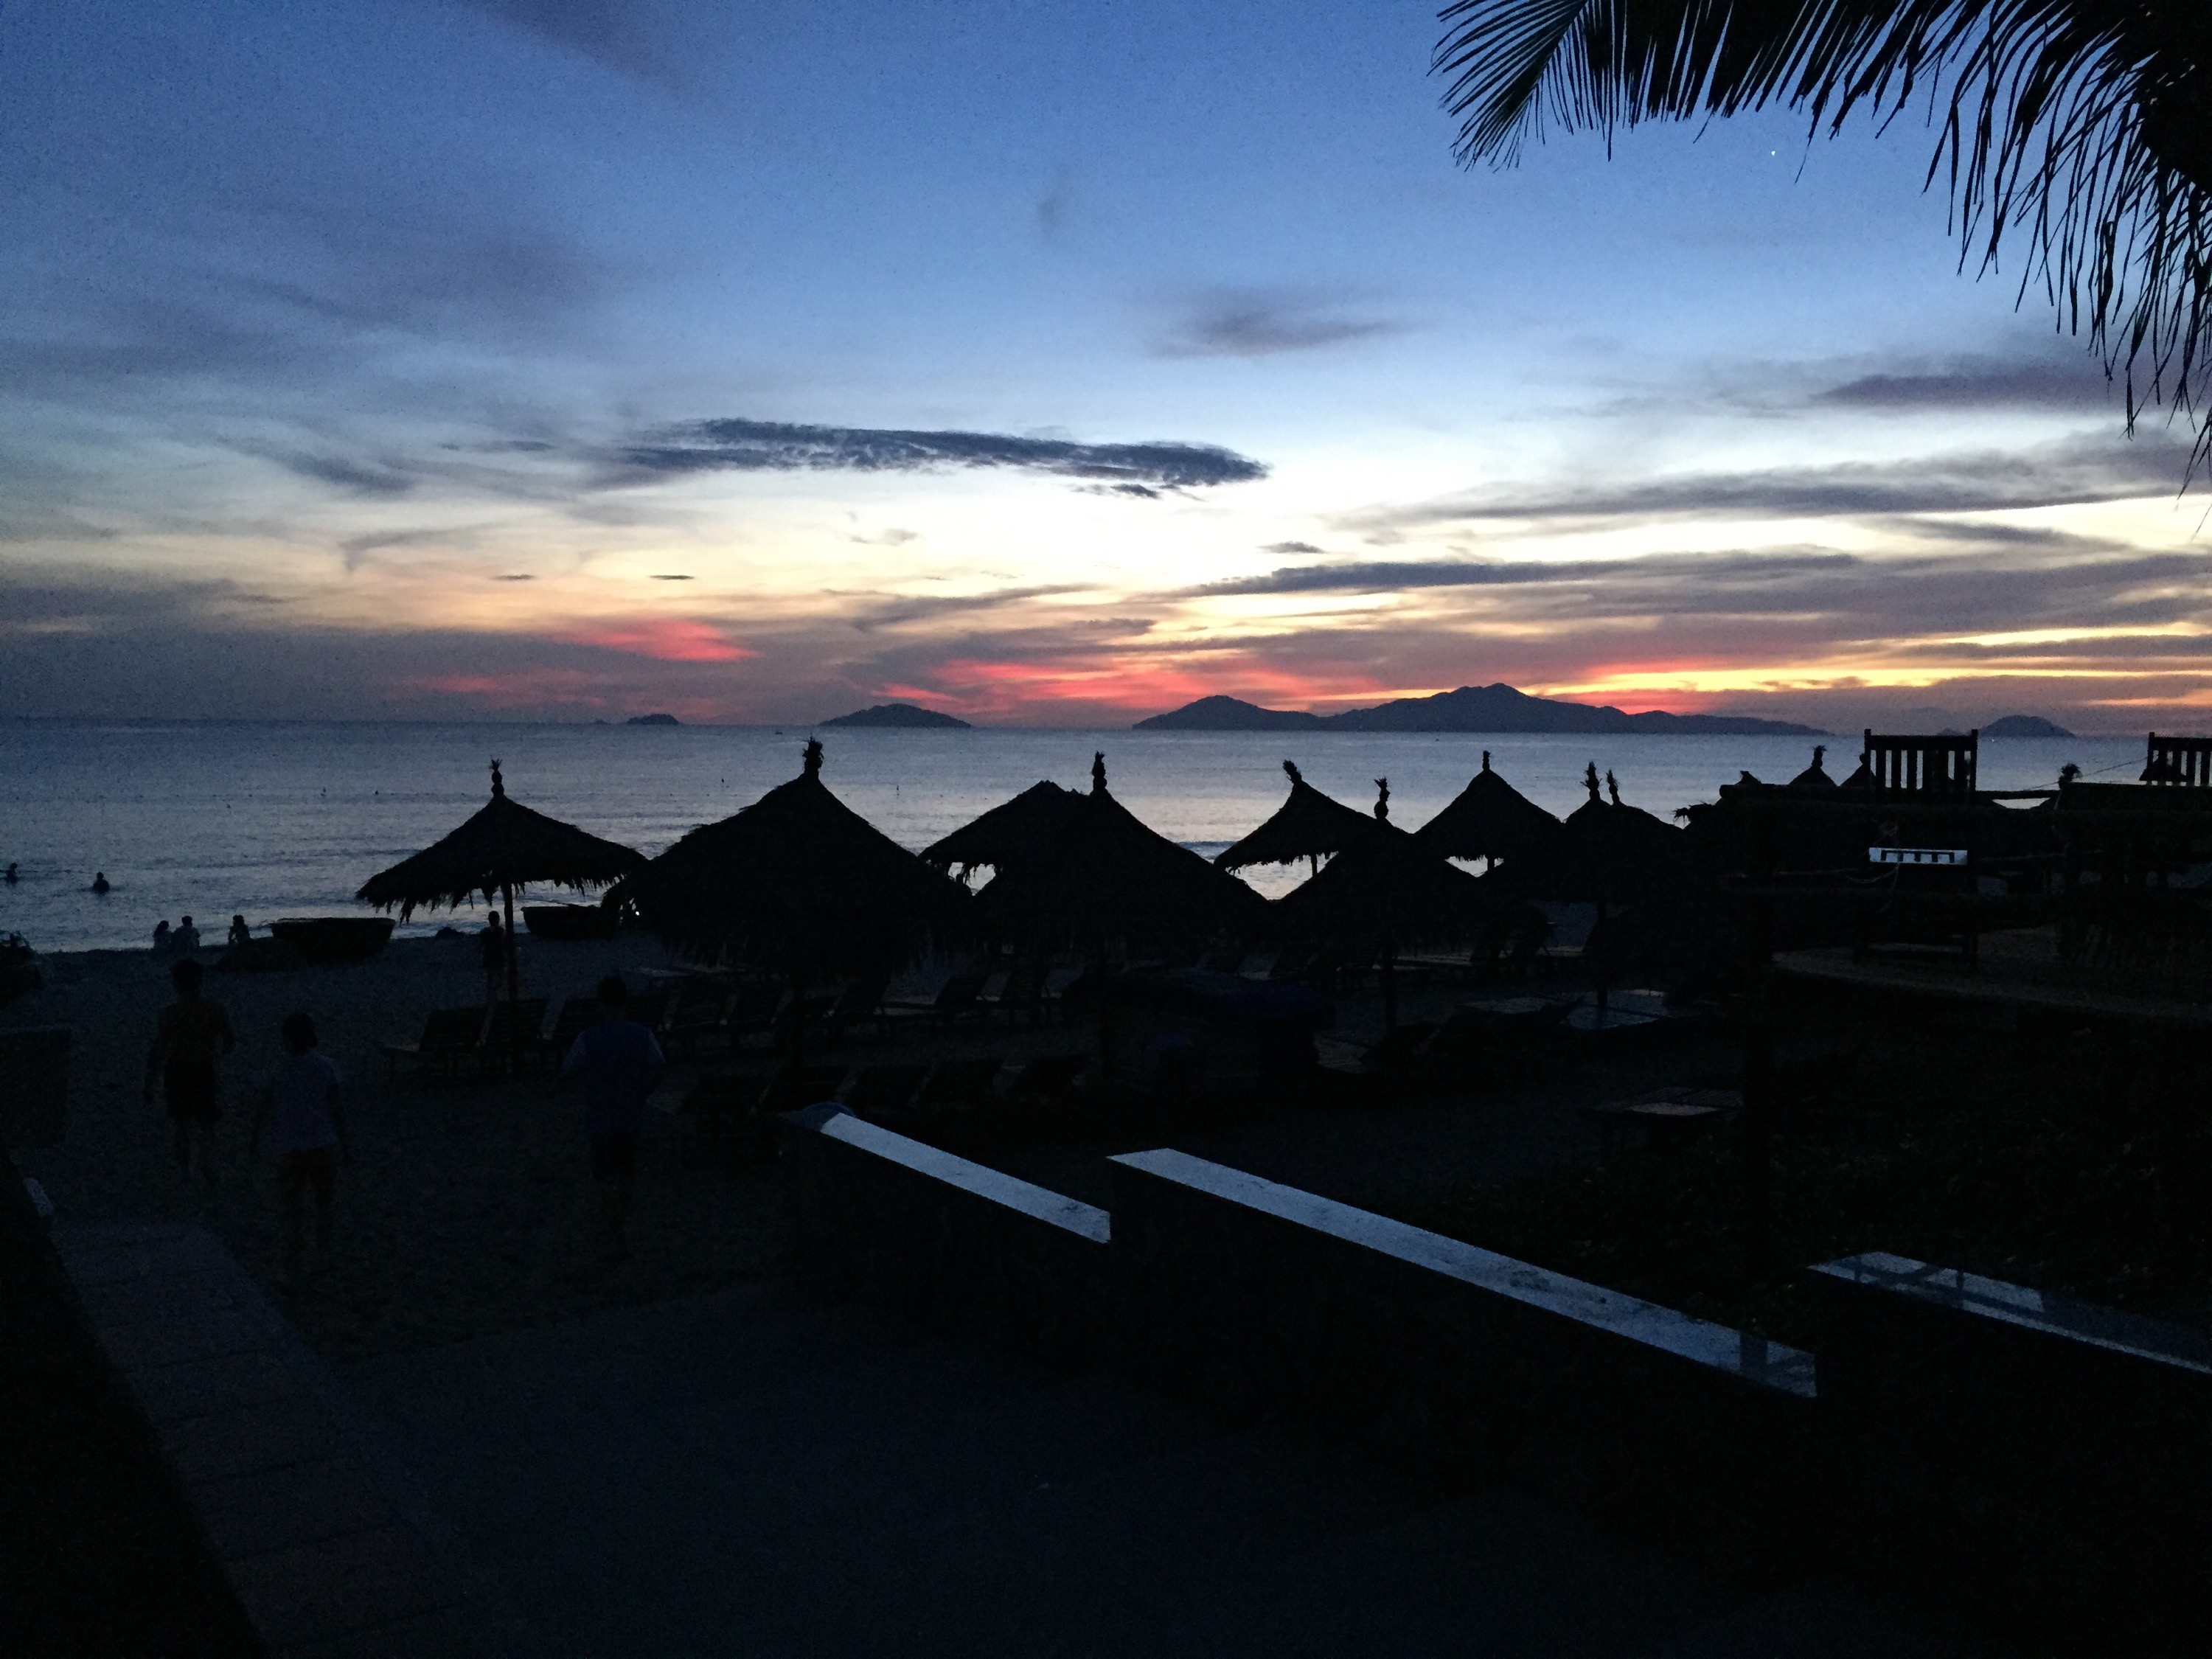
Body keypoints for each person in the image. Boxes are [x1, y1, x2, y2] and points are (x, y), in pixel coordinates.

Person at [555, 975, 664, 1262]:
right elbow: (659, 1065)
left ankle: (616, 1230)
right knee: (626, 1175)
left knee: (603, 1177)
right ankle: (622, 1227)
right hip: (630, 1115)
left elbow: (567, 1071)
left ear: (601, 1004)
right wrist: (644, 1090)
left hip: (600, 1117)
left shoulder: (588, 1038)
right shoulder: (642, 1035)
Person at [250, 1012, 348, 1286]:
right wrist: (346, 1144)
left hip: (290, 1149)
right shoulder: (327, 1066)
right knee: (323, 1206)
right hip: (323, 1145)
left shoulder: (277, 1068)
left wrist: (255, 1139)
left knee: (292, 1210)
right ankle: (320, 1259)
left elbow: (264, 1107)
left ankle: (293, 1266)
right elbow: (337, 1111)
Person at [144, 958, 236, 1183]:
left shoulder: (169, 1014)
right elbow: (229, 1041)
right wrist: (217, 1055)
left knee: (182, 1124)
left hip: (178, 1070)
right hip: (203, 1068)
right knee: (206, 1123)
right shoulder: (215, 1010)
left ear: (176, 984)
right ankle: (208, 1167)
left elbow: (159, 1049)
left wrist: (150, 1082)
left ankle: (186, 1171)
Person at [479, 911, 509, 1004]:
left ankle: (494, 997)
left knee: (493, 978)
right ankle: (497, 997)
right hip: (497, 957)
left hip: (492, 957)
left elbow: (482, 946)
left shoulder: (486, 932)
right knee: (498, 977)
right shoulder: (500, 932)